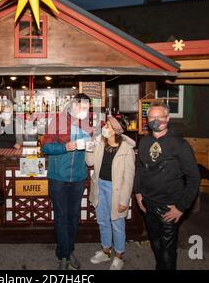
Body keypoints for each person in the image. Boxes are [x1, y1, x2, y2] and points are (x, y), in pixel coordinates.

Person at [134, 101, 200, 270]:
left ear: (168, 118)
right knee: (155, 243)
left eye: (159, 117)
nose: (155, 120)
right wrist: (138, 193)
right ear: (147, 119)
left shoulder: (180, 144)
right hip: (147, 203)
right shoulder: (144, 142)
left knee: (167, 249)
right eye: (151, 117)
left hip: (169, 206)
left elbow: (193, 178)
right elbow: (139, 169)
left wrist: (181, 207)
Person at [41, 93, 92, 270]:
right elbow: (45, 146)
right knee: (61, 217)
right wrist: (65, 147)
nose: (85, 110)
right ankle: (64, 255)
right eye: (82, 107)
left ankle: (67, 251)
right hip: (58, 178)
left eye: (87, 107)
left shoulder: (87, 124)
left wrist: (93, 144)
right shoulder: (58, 121)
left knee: (73, 217)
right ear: (73, 105)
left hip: (78, 177)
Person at [85, 116, 135, 270]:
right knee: (102, 221)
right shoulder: (99, 142)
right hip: (100, 186)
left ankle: (119, 256)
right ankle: (105, 250)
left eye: (108, 126)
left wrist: (124, 201)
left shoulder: (127, 149)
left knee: (117, 223)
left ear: (117, 130)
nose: (105, 127)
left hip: (117, 190)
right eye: (105, 124)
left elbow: (129, 178)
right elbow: (89, 162)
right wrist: (89, 148)